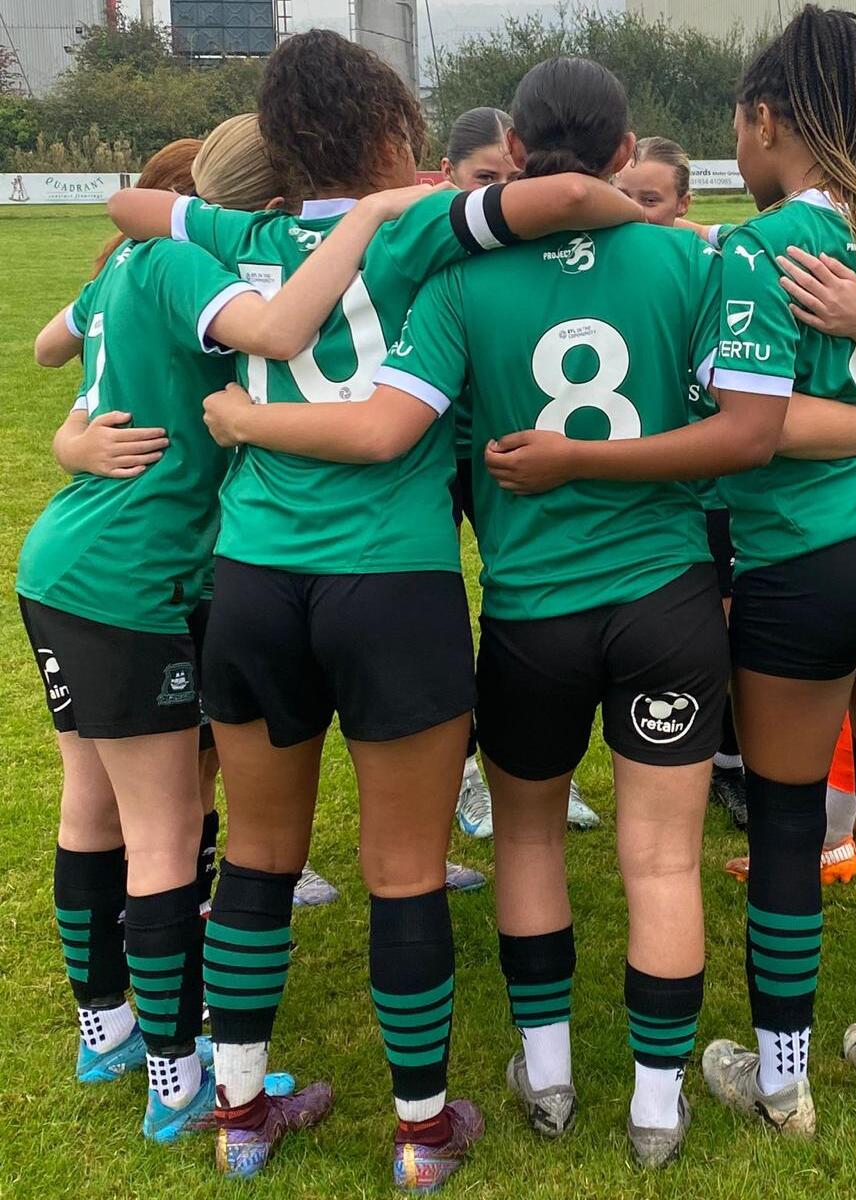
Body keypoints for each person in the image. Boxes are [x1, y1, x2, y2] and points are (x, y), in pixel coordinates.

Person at [488, 6, 856, 1130]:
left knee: (783, 815)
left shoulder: (758, 253)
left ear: (768, 119)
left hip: (803, 566)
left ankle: (782, 1080)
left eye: (741, 122)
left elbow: (751, 432)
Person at [202, 54, 784, 1169]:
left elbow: (405, 417)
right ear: (626, 157)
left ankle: (543, 1078)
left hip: (505, 608)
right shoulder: (684, 257)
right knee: (654, 859)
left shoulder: (438, 281)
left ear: (509, 152)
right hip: (656, 596)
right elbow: (732, 417)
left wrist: (234, 418)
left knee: (505, 838)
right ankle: (646, 1109)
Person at [109, 31, 645, 1187]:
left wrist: (193, 216)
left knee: (253, 858)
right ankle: (420, 1131)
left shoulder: (243, 234)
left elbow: (132, 208)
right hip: (390, 581)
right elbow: (559, 195)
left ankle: (242, 1115)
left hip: (254, 577)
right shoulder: (414, 222)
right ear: (394, 122)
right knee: (404, 868)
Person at [24, 124, 427, 1144]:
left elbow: (49, 345)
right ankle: (177, 1084)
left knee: (93, 807)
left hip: (67, 562)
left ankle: (105, 1027)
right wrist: (373, 215)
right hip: (136, 578)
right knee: (163, 831)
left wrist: (77, 430)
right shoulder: (190, 266)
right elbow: (283, 332)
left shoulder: (128, 264)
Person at [440, 105, 601, 843]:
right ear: (449, 180)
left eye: (514, 182)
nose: (510, 200)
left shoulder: (545, 257)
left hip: (523, 450)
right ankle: (467, 773)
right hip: (444, 455)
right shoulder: (442, 248)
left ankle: (540, 775)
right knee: (442, 611)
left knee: (536, 595)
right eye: (487, 183)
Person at [617, 136, 748, 830]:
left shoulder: (715, 267)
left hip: (715, 491)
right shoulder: (607, 272)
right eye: (626, 196)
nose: (637, 213)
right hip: (649, 498)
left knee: (724, 633)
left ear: (683, 203)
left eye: (653, 200)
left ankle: (728, 764)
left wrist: (709, 235)